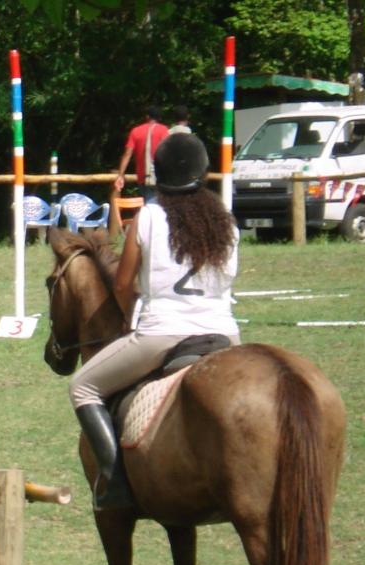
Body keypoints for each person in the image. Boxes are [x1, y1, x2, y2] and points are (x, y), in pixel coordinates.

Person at [70, 133, 241, 510]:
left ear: (158, 176)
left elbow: (124, 284)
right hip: (225, 334)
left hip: (163, 332)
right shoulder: (226, 222)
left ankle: (113, 484)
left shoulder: (148, 216)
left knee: (82, 388)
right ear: (204, 173)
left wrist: (131, 319)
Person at [113, 106, 170, 202]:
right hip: (160, 176)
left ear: (147, 117)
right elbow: (168, 152)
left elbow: (127, 154)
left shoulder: (135, 131)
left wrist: (120, 175)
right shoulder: (164, 130)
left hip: (143, 176)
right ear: (159, 118)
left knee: (149, 204)